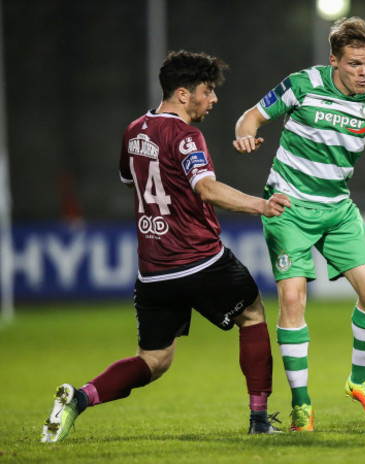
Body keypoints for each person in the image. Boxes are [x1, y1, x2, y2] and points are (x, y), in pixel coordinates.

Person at [41, 50, 292, 443]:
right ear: (181, 93)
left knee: (154, 361)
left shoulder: (134, 130)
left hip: (153, 268)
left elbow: (131, 181)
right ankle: (260, 420)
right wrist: (260, 205)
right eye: (207, 92)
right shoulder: (187, 135)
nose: (213, 99)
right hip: (199, 258)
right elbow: (206, 188)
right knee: (253, 316)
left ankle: (79, 398)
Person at [232, 17, 365, 431]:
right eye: (354, 64)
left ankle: (360, 382)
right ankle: (302, 406)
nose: (364, 72)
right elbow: (251, 117)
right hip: (288, 205)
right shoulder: (303, 84)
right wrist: (244, 135)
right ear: (334, 60)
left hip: (338, 208)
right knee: (293, 300)